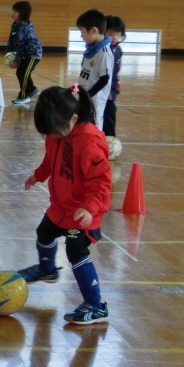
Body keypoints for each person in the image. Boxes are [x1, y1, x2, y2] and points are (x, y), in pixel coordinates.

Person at [17, 83, 112, 325]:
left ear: (74, 118)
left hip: (82, 216)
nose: (53, 135)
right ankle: (47, 269)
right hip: (60, 208)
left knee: (75, 250)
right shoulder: (56, 133)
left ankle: (96, 306)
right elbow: (50, 159)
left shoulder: (90, 142)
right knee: (44, 232)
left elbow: (101, 181)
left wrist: (89, 208)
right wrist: (38, 175)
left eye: (56, 130)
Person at [76, 8, 114, 131]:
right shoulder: (91, 50)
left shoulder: (103, 53)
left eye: (82, 32)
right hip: (84, 95)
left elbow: (104, 79)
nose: (81, 36)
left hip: (94, 99)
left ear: (93, 30)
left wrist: (89, 94)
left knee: (94, 127)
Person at [6, 0, 43, 105]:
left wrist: (17, 61)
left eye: (16, 11)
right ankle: (32, 90)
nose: (12, 13)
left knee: (23, 73)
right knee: (20, 72)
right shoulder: (15, 25)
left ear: (23, 13)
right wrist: (9, 54)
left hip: (33, 54)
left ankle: (24, 96)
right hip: (25, 54)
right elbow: (12, 41)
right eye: (13, 11)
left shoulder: (25, 28)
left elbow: (21, 46)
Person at [103, 15, 126, 137]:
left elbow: (118, 65)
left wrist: (117, 78)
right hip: (100, 90)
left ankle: (110, 139)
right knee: (102, 114)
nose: (115, 37)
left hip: (111, 90)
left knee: (110, 112)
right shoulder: (101, 49)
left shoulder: (119, 50)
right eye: (111, 34)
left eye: (118, 34)